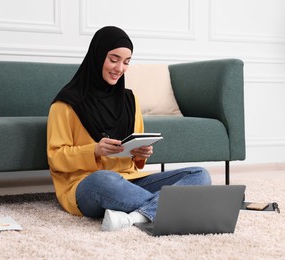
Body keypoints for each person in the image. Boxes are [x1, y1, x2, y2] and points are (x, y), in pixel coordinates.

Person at [46, 26, 211, 232]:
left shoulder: (129, 100)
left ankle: (136, 217)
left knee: (199, 174)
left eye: (126, 62)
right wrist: (94, 150)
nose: (120, 68)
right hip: (87, 184)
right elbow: (56, 158)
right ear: (97, 56)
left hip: (130, 182)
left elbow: (136, 151)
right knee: (104, 178)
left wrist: (140, 154)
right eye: (113, 59)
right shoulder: (66, 104)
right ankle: (179, 209)